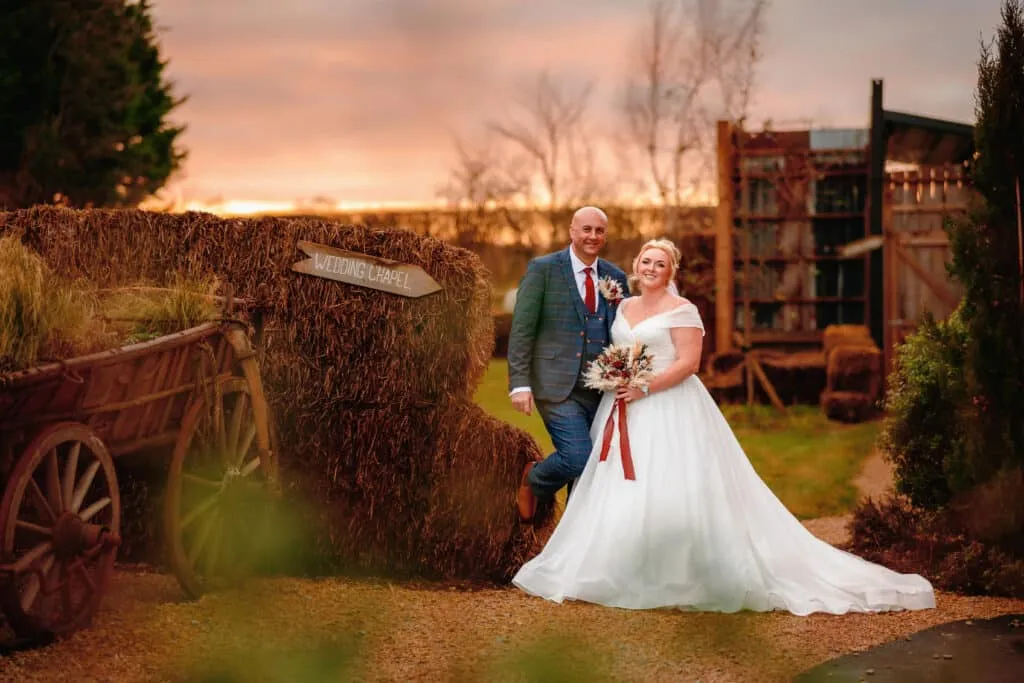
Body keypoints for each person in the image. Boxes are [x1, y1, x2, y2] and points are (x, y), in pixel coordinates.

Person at [512, 238, 936, 615]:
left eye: (660, 264)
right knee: (616, 485)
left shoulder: (683, 310)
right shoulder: (622, 307)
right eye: (646, 261)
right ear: (636, 266)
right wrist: (613, 378)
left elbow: (689, 363)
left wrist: (645, 387)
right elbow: (611, 346)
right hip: (620, 406)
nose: (651, 268)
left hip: (669, 406)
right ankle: (613, 565)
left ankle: (675, 572)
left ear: (670, 272)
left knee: (670, 485)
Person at [507, 206, 631, 522]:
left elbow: (624, 331)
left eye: (599, 230)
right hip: (555, 385)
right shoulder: (543, 269)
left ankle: (574, 533)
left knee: (593, 471)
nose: (593, 236)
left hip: (601, 391)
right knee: (578, 458)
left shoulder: (615, 277)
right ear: (572, 231)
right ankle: (534, 479)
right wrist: (519, 383)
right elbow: (522, 329)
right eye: (586, 229)